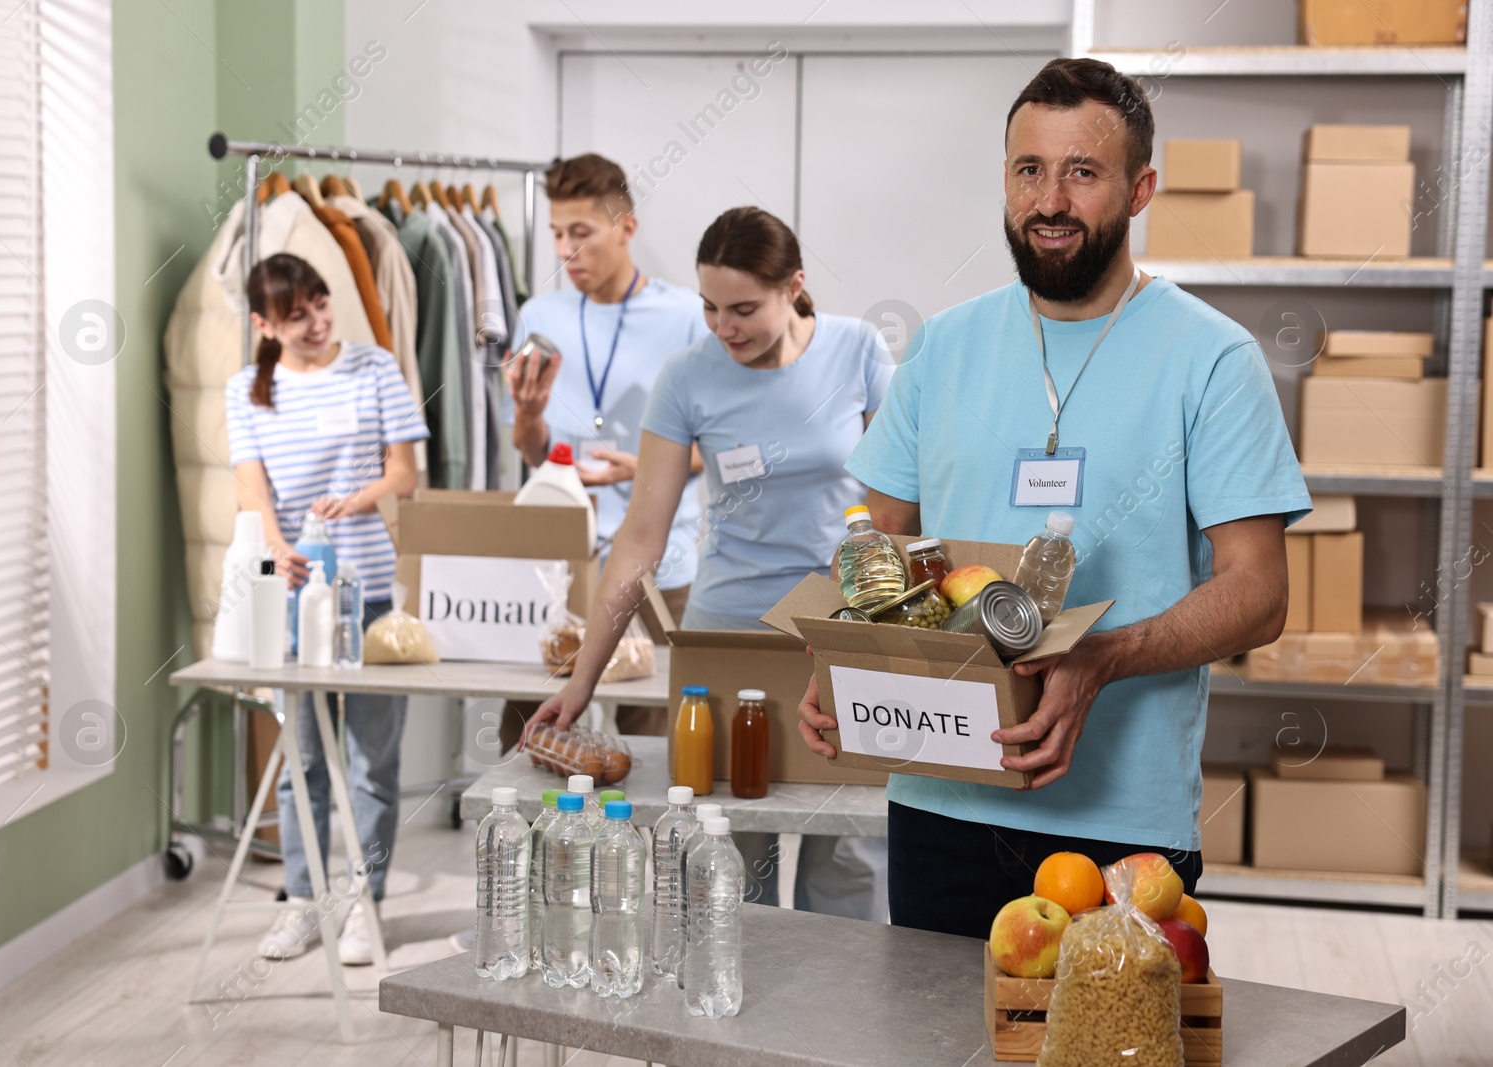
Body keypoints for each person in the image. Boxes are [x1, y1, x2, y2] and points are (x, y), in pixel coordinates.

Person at [797, 57, 1311, 940]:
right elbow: (879, 540)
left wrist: (1099, 657)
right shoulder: (942, 350)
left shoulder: (1213, 361)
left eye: (1083, 172)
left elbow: (1259, 591)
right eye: (1029, 170)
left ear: (1141, 188)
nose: (1050, 200)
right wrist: (844, 658)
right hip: (940, 795)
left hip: (1122, 826)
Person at [525, 206, 895, 921]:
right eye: (710, 308)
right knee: (723, 856)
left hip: (843, 632)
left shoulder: (857, 351)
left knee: (848, 857)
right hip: (729, 636)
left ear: (795, 285)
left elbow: (898, 513)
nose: (724, 327)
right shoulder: (688, 377)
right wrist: (582, 681)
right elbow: (640, 540)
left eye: (745, 308)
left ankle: (831, 1031)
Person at [225, 253, 429, 963]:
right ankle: (304, 902)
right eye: (295, 315)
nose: (316, 324)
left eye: (321, 305)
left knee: (373, 759)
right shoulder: (247, 391)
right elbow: (253, 491)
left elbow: (404, 470)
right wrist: (277, 549)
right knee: (301, 759)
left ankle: (360, 905)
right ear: (263, 323)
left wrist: (361, 496)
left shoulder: (374, 368)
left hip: (369, 591)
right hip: (292, 597)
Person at [499, 153, 708, 744]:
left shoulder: (688, 316)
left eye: (582, 233)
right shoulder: (540, 315)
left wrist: (652, 471)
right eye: (557, 234)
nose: (566, 250)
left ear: (626, 227)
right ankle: (528, 836)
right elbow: (530, 449)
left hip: (660, 555)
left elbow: (715, 446)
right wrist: (528, 416)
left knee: (654, 726)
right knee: (533, 717)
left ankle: (639, 840)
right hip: (559, 551)